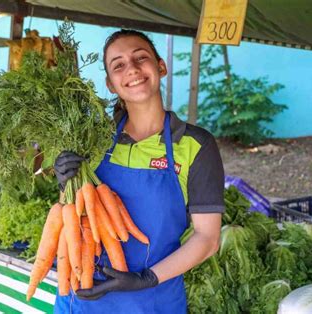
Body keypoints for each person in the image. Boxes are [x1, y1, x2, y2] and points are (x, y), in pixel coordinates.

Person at [53, 29, 224, 313]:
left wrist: (146, 279)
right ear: (110, 84)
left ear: (161, 66)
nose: (131, 68)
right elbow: (74, 216)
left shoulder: (196, 145)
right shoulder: (93, 139)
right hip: (81, 297)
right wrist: (65, 185)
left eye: (140, 57)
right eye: (118, 65)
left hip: (153, 300)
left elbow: (207, 239)